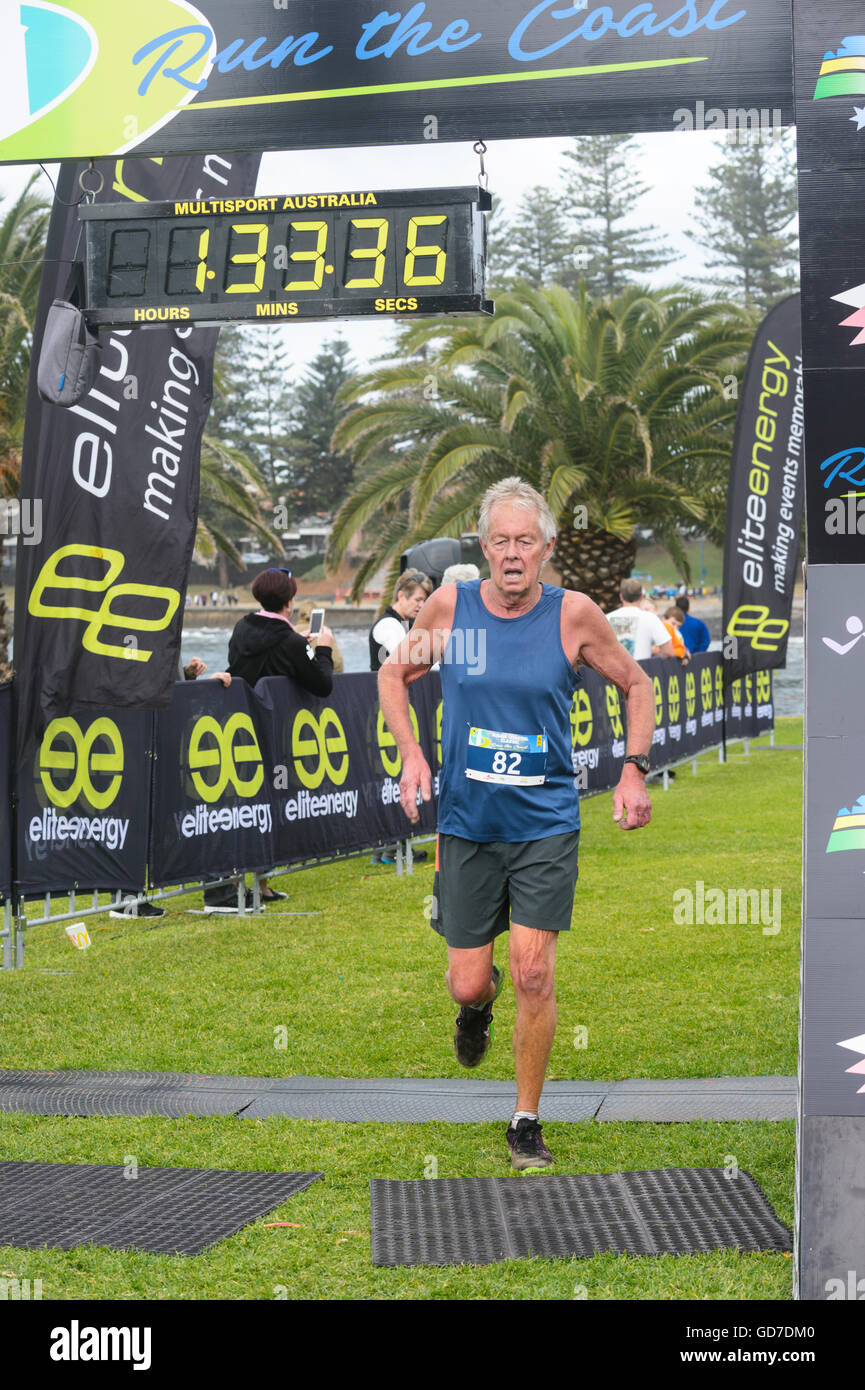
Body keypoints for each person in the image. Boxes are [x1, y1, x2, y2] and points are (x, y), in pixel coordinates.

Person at [378, 477, 654, 1171]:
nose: (510, 554)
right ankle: (475, 1012)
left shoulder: (574, 616)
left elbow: (637, 685)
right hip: (468, 825)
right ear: (483, 546)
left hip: (544, 823)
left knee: (534, 973)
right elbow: (391, 676)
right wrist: (410, 754)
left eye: (523, 542)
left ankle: (524, 1120)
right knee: (470, 981)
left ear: (546, 548)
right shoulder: (451, 606)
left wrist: (633, 769)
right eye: (498, 541)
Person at [201, 568, 335, 914]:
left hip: (239, 731)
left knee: (242, 806)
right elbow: (322, 684)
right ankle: (235, 887)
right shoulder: (289, 642)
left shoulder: (243, 628)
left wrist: (300, 649)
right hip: (274, 735)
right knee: (264, 808)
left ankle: (255, 883)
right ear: (289, 602)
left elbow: (241, 665)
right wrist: (322, 650)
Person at [368, 569, 433, 672]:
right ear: (401, 596)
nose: (422, 605)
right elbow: (408, 661)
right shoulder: (387, 624)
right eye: (417, 600)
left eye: (424, 601)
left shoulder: (409, 624)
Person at [606, 578, 675, 660]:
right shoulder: (650, 618)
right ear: (641, 597)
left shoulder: (607, 618)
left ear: (621, 597)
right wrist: (653, 653)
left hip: (613, 670)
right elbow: (668, 651)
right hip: (641, 669)